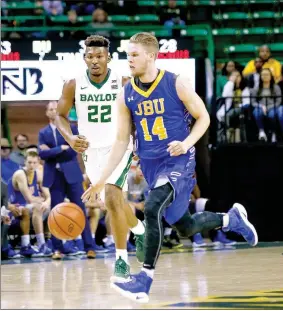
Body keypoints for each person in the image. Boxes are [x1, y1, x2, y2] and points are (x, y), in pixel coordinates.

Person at [82, 32, 258, 303]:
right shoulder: (126, 94)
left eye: (135, 54)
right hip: (152, 167)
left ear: (151, 55)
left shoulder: (177, 83)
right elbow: (120, 142)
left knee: (151, 209)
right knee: (185, 226)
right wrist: (101, 180)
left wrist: (186, 143)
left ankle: (143, 280)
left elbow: (204, 118)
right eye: (128, 54)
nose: (129, 59)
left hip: (178, 161)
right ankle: (231, 219)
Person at [54, 35, 145, 281]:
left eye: (100, 56)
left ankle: (121, 261)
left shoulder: (125, 81)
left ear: (109, 58)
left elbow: (137, 115)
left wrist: (138, 144)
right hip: (91, 152)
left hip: (119, 148)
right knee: (114, 204)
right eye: (90, 56)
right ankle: (138, 228)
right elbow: (60, 116)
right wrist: (71, 139)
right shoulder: (73, 84)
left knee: (114, 198)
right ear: (84, 58)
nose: (95, 61)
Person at [38, 101, 96, 260]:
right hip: (54, 177)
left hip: (72, 175)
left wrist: (51, 151)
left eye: (56, 108)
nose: (53, 111)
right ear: (47, 112)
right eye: (50, 109)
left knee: (80, 210)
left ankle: (89, 248)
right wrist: (60, 149)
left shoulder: (73, 129)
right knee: (55, 213)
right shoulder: (43, 132)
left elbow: (73, 151)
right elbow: (41, 154)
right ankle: (57, 249)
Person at [8, 151, 52, 257]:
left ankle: (52, 240)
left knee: (54, 208)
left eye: (34, 163)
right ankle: (41, 244)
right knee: (37, 207)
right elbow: (29, 199)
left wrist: (46, 202)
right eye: (29, 162)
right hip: (13, 207)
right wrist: (41, 200)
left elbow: (48, 196)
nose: (32, 165)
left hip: (28, 207)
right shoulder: (20, 174)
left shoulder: (39, 174)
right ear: (25, 162)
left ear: (38, 163)